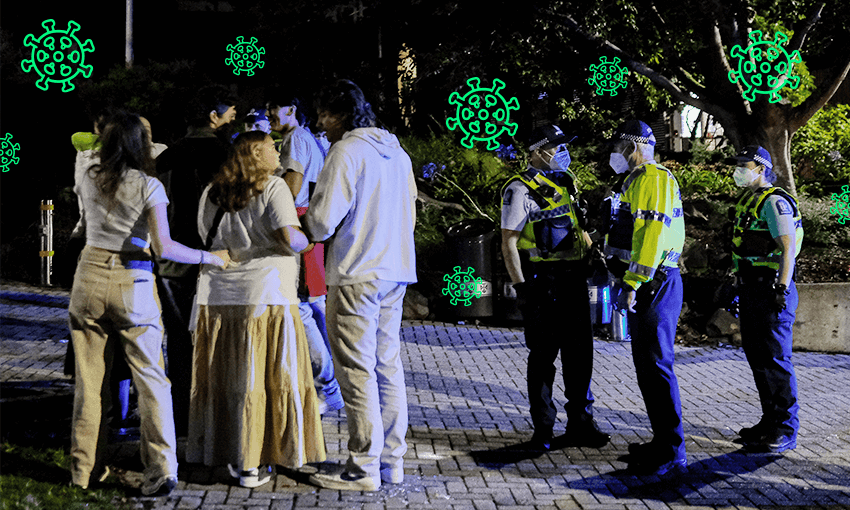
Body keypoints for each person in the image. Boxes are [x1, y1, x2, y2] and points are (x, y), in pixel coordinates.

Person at [68, 111, 229, 497]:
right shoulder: (148, 186)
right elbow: (164, 247)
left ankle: (81, 470)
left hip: (88, 276)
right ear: (141, 145)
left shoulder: (89, 176)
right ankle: (160, 468)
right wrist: (213, 258)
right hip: (132, 279)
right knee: (152, 379)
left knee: (91, 385)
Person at [188, 131, 326, 488]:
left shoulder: (212, 191)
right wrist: (309, 240)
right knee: (267, 379)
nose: (277, 151)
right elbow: (290, 238)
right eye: (271, 146)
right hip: (266, 294)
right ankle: (258, 461)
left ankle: (227, 453)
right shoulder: (274, 187)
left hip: (218, 296)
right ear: (255, 152)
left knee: (228, 380)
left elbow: (205, 235)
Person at [304, 79, 416, 491]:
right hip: (396, 269)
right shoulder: (397, 153)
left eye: (325, 115)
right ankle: (391, 463)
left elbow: (320, 222)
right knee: (387, 367)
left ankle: (363, 467)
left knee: (355, 370)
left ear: (342, 115)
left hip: (356, 271)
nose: (320, 123)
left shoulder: (346, 151)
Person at [500, 124, 610, 450]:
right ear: (537, 151)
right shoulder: (518, 189)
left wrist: (595, 252)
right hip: (542, 284)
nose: (563, 153)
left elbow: (578, 228)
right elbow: (509, 243)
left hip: (574, 280)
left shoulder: (566, 182)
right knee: (544, 358)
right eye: (556, 147)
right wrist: (522, 290)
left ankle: (580, 425)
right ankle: (543, 430)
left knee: (580, 357)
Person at [603, 120, 687, 475]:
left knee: (656, 366)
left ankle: (672, 451)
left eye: (619, 148)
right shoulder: (636, 181)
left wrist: (633, 283)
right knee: (647, 368)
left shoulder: (653, 179)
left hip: (654, 283)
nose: (615, 155)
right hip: (646, 282)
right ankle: (661, 441)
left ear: (634, 148)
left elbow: (651, 235)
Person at [154, 86, 236, 437]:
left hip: (172, 262)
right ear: (213, 117)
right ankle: (213, 418)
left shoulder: (167, 157)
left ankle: (181, 419)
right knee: (216, 342)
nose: (233, 117)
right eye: (229, 113)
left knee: (178, 341)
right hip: (216, 261)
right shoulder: (227, 153)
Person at [269, 92, 344, 415]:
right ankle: (335, 385)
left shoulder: (295, 140)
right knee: (315, 306)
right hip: (310, 228)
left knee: (302, 306)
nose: (272, 112)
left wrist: (270, 200)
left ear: (292, 110)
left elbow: (293, 183)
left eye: (276, 106)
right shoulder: (310, 139)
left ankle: (328, 384)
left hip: (298, 225)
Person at [726, 145, 803, 453]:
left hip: (771, 290)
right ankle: (769, 422)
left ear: (760, 168)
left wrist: (782, 291)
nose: (738, 170)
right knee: (758, 359)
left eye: (744, 165)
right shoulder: (749, 201)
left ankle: (785, 428)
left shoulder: (775, 202)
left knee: (776, 360)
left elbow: (788, 251)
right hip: (751, 289)